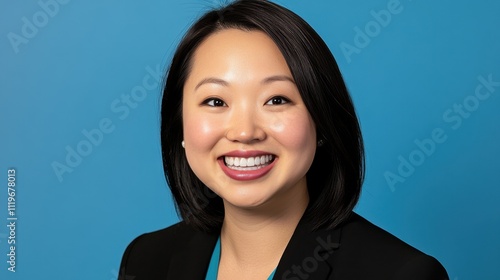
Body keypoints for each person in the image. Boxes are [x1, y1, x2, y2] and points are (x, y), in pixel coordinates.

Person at [119, 0, 449, 279]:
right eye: (216, 102)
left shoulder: (402, 274)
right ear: (180, 127)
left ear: (321, 121)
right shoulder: (146, 260)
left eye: (277, 100)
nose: (245, 132)